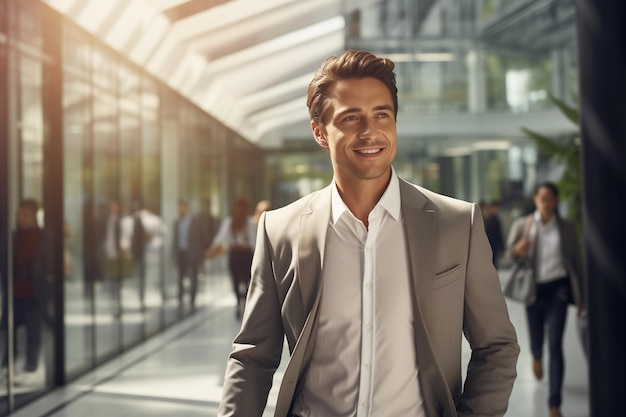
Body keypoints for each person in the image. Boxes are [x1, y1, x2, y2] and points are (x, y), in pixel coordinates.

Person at [217, 49, 519, 417]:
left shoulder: (457, 224)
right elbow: (253, 356)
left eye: (381, 114)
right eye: (350, 118)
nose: (369, 131)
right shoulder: (279, 230)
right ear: (319, 133)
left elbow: (497, 346)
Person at [506, 182, 584, 417]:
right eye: (542, 198)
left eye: (550, 198)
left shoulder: (566, 228)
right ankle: (537, 356)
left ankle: (554, 404)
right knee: (537, 338)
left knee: (556, 344)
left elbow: (577, 262)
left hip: (558, 289)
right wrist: (518, 249)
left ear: (556, 201)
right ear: (535, 200)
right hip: (534, 290)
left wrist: (582, 298)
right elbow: (508, 255)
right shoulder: (524, 225)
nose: (546, 203)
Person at [1, 199, 52, 386]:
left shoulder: (44, 237)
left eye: (26, 215)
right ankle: (8, 365)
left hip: (34, 293)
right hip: (14, 292)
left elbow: (49, 265)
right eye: (19, 215)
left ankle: (30, 367)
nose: (21, 219)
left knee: (33, 331)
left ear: (34, 216)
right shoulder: (12, 237)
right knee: (10, 329)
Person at [206, 197, 256, 318]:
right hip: (246, 255)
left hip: (235, 254)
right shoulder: (249, 222)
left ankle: (239, 301)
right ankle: (244, 300)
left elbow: (219, 238)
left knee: (236, 280)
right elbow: (254, 242)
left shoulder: (230, 221)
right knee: (248, 280)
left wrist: (209, 252)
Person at [173, 199, 204, 309]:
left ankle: (192, 299)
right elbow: (175, 240)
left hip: (192, 253)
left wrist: (200, 255)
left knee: (193, 277)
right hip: (181, 252)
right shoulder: (177, 222)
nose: (181, 210)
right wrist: (173, 254)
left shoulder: (195, 222)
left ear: (187, 208)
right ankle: (180, 298)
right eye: (179, 208)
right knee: (181, 276)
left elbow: (201, 239)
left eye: (182, 207)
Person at [484, 200, 505, 268]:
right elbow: (499, 234)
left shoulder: (488, 219)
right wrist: (502, 248)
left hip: (490, 246)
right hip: (491, 246)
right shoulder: (491, 219)